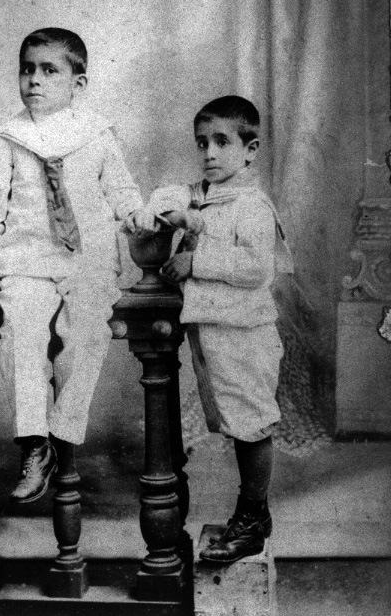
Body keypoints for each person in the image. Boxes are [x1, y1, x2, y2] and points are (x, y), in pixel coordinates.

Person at [0, 27, 145, 503]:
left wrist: (134, 215)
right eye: (27, 69)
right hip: (27, 260)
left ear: (77, 84)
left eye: (49, 71)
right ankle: (35, 442)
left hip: (88, 261)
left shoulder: (97, 135)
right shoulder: (9, 139)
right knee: (21, 334)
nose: (34, 80)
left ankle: (62, 430)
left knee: (87, 333)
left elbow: (121, 190)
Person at [126, 95, 293, 562]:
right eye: (202, 143)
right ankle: (253, 514)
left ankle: (252, 519)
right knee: (238, 422)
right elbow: (175, 195)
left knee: (251, 426)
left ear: (250, 150)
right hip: (216, 335)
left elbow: (256, 269)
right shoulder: (204, 194)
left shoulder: (251, 205)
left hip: (246, 336)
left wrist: (194, 261)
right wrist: (155, 209)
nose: (210, 153)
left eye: (222, 142)